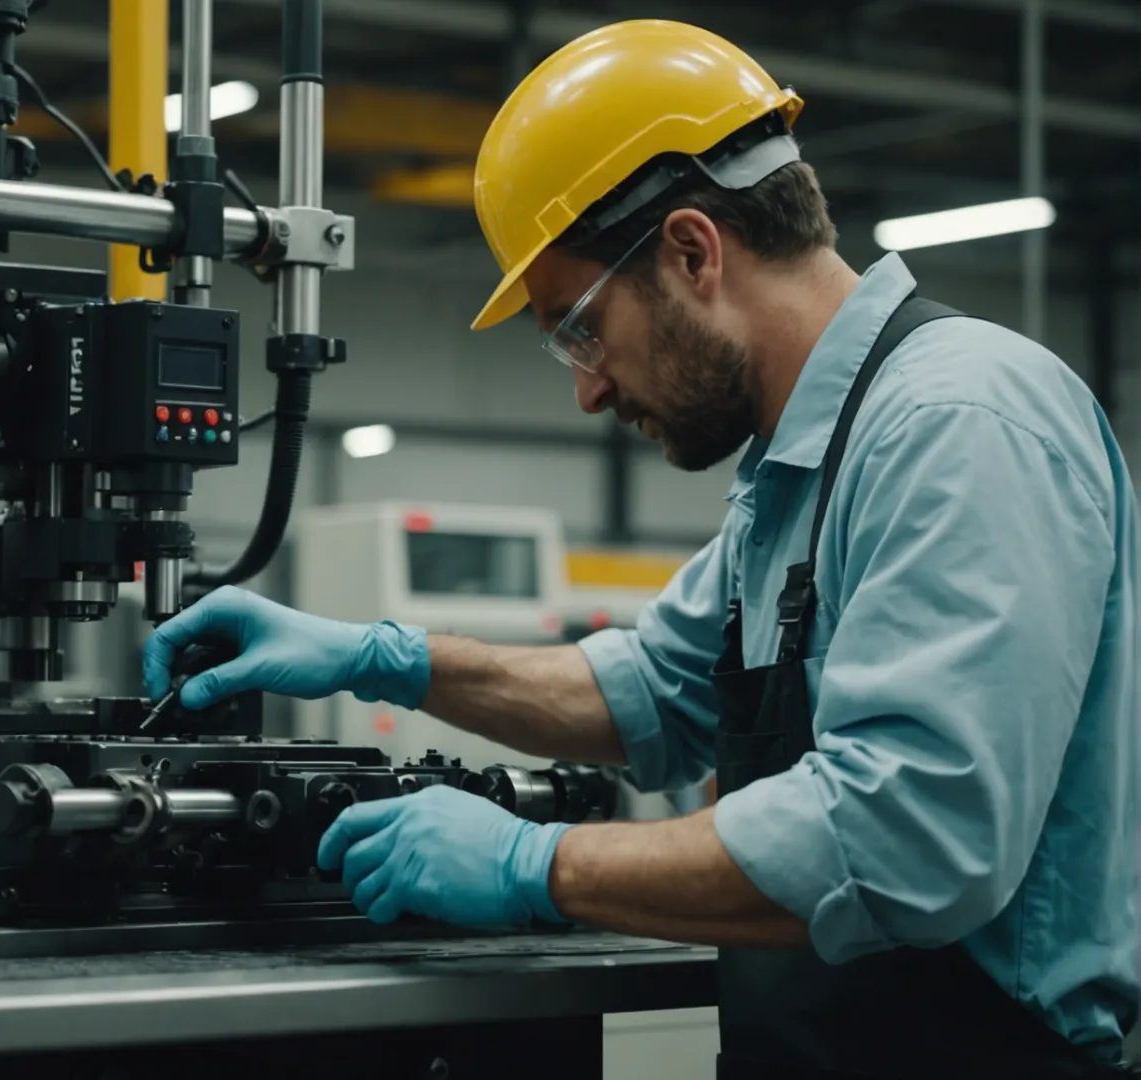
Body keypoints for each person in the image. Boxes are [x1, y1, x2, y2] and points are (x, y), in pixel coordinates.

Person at [143, 18, 1138, 1079]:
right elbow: (654, 693)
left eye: (578, 327)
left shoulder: (956, 424)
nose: (587, 388)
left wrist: (539, 864)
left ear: (691, 252)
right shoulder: (796, 468)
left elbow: (911, 841)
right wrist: (381, 656)